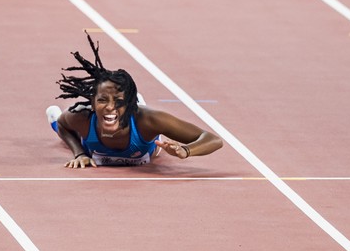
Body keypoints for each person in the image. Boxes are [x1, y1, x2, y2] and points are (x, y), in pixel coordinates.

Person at [47, 32, 223, 169]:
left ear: (129, 104)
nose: (109, 107)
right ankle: (52, 118)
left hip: (138, 126)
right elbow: (63, 126)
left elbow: (213, 139)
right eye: (102, 100)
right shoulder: (82, 118)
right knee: (62, 124)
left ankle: (137, 101)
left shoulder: (149, 121)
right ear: (92, 103)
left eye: (118, 100)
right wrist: (79, 153)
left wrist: (185, 150)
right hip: (91, 142)